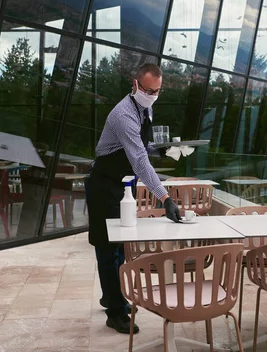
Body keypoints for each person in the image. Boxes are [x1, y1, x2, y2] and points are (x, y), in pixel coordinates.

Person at [85, 63, 182, 334]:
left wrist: (161, 151)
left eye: (157, 91)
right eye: (149, 90)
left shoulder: (145, 107)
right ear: (135, 84)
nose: (152, 95)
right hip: (103, 185)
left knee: (119, 249)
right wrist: (165, 198)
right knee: (106, 248)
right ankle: (114, 313)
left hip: (121, 186)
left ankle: (113, 297)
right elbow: (138, 160)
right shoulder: (123, 115)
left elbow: (141, 146)